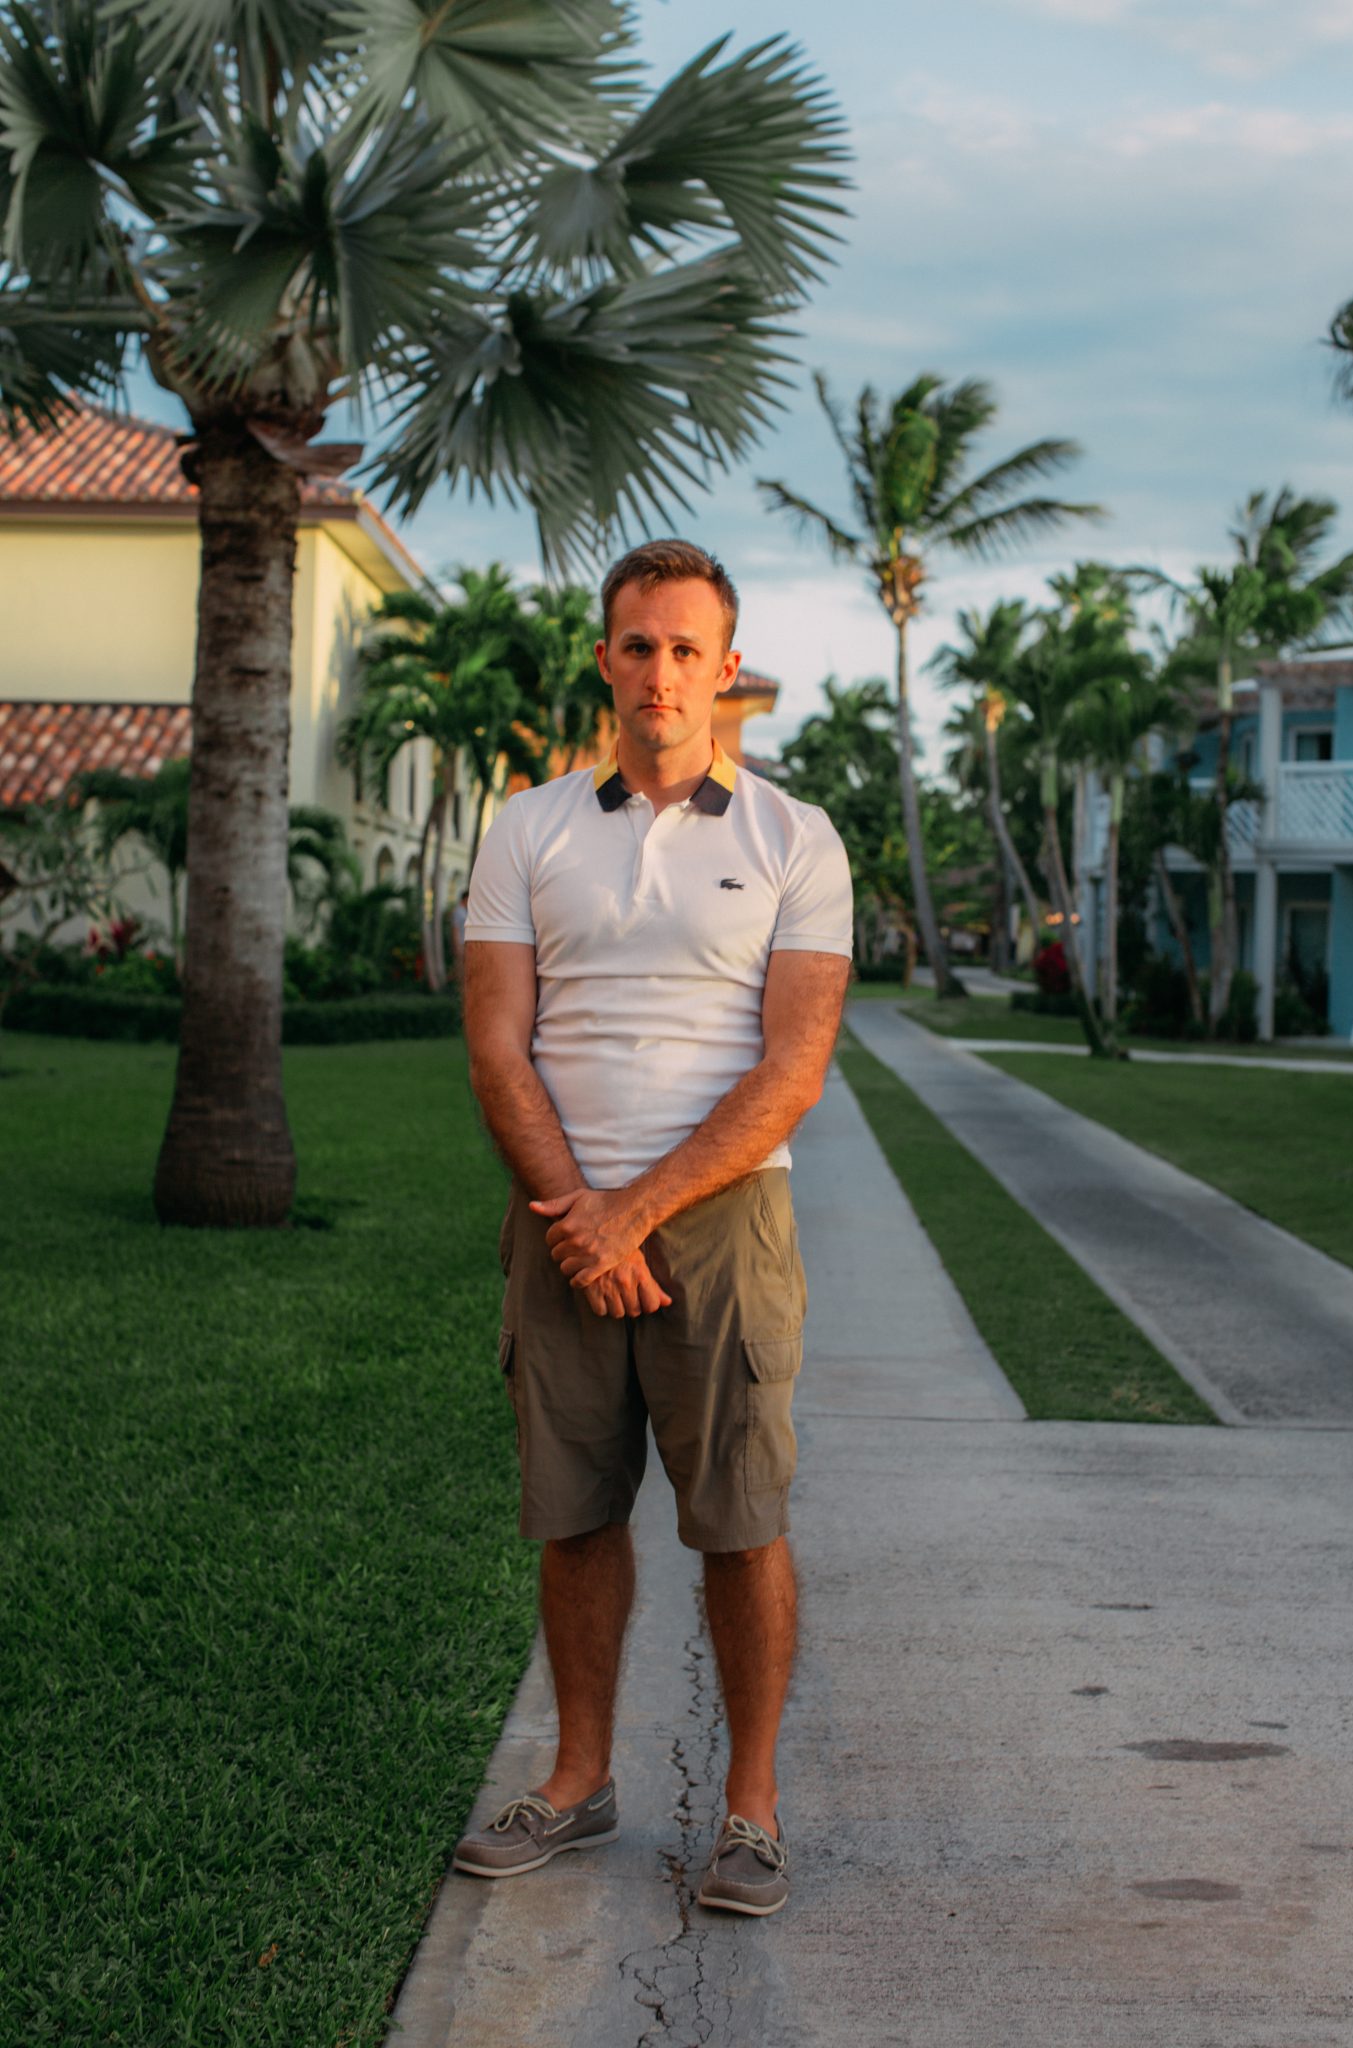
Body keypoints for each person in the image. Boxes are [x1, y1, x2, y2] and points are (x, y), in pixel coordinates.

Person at [455, 539, 852, 1917]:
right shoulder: (528, 828)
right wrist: (582, 1219)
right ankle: (576, 1780)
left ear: (724, 668)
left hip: (719, 1231)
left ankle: (748, 1808)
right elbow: (498, 1047)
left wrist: (632, 1212)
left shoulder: (792, 838)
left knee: (738, 1522)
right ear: (604, 658)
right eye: (637, 643)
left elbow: (791, 1067)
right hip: (562, 1222)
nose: (660, 670)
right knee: (573, 1517)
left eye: (687, 647)